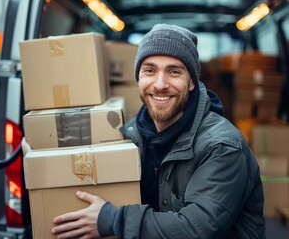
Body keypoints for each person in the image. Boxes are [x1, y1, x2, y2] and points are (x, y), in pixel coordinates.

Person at [23, 24, 265, 238]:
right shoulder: (133, 134)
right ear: (138, 78)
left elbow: (198, 228)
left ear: (192, 82)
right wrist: (43, 160)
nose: (160, 84)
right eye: (150, 70)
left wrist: (112, 220)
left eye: (174, 71)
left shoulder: (222, 146)